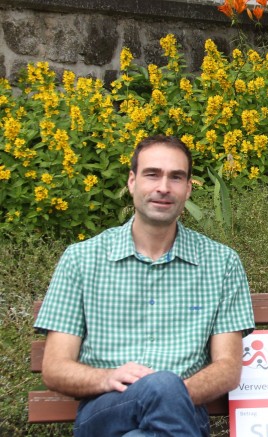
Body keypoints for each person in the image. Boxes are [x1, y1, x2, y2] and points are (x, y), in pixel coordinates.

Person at [34, 135, 255, 436]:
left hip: (185, 411)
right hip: (104, 410)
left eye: (176, 177)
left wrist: (168, 396)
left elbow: (228, 368)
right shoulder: (81, 260)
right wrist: (108, 378)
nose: (163, 187)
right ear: (132, 182)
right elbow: (56, 367)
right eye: (152, 174)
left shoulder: (222, 263)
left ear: (188, 188)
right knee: (163, 386)